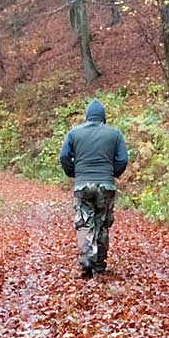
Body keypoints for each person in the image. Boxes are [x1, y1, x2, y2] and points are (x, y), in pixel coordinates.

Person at [58, 98, 128, 277]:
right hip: (105, 184)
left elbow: (64, 157)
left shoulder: (74, 134)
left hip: (82, 184)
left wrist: (74, 173)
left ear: (87, 116)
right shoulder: (115, 134)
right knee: (102, 224)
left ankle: (87, 258)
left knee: (84, 223)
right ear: (103, 117)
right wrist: (114, 173)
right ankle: (99, 264)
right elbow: (122, 160)